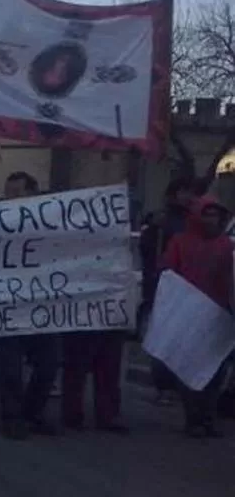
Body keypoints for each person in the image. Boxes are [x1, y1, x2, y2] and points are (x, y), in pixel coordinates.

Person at [0, 172, 61, 440]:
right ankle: (11, 417)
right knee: (10, 366)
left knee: (49, 364)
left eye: (17, 192)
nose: (11, 198)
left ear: (33, 193)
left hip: (45, 304)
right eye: (8, 192)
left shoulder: (53, 222)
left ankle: (33, 412)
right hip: (10, 304)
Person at [161, 195, 233, 438]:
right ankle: (193, 419)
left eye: (216, 215)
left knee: (216, 371)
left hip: (218, 315)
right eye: (207, 214)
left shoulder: (226, 245)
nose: (212, 219)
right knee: (189, 370)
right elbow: (168, 273)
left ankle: (208, 418)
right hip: (189, 313)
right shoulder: (179, 242)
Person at [139, 177, 196, 405]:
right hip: (165, 286)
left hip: (188, 289)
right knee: (165, 338)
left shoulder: (193, 220)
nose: (188, 197)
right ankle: (164, 386)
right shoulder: (161, 221)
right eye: (184, 191)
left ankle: (177, 385)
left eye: (190, 192)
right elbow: (148, 251)